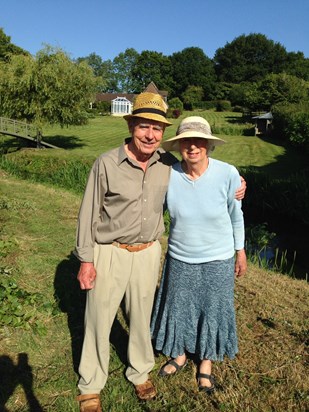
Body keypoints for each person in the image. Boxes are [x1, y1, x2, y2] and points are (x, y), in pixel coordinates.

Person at [75, 93, 246, 411]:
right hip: (109, 250)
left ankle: (140, 373)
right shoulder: (107, 163)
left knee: (141, 319)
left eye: (156, 128)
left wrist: (238, 185)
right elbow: (87, 214)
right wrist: (86, 260)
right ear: (130, 125)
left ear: (163, 133)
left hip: (148, 252)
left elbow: (208, 176)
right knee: (99, 319)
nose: (150, 134)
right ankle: (91, 384)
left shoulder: (166, 164)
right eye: (143, 126)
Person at [151, 116, 247, 394]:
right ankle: (178, 354)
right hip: (180, 257)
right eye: (186, 141)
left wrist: (240, 251)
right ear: (180, 145)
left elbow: (236, 217)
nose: (192, 147)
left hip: (218, 258)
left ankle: (206, 364)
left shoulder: (228, 173)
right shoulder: (169, 174)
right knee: (179, 308)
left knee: (213, 311)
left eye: (198, 141)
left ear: (208, 145)